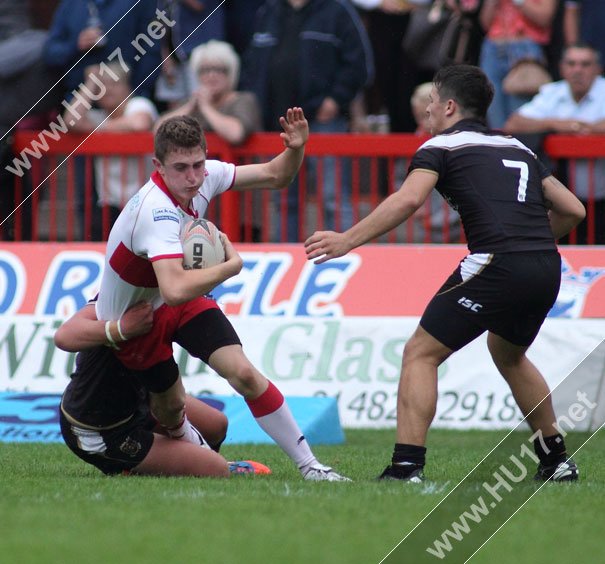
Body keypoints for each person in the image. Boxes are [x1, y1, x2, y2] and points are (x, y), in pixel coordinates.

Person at [305, 64, 585, 482]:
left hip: (497, 262)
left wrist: (347, 240)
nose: (428, 112)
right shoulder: (517, 147)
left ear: (450, 106)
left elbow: (407, 201)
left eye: (432, 103)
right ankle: (556, 460)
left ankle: (406, 466)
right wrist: (532, 242)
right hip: (546, 266)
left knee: (421, 353)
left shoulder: (441, 147)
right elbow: (574, 210)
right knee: (508, 353)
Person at [94, 109, 350, 482]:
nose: (194, 177)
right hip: (136, 322)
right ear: (158, 166)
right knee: (169, 407)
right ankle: (191, 448)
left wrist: (297, 147)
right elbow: (175, 287)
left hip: (173, 301)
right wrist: (230, 268)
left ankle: (312, 467)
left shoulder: (204, 176)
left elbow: (276, 175)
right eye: (181, 168)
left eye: (198, 164)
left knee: (244, 373)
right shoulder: (156, 211)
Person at [55, 300, 270, 477]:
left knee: (216, 425)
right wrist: (120, 329)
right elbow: (64, 336)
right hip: (98, 429)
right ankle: (132, 467)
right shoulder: (117, 300)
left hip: (140, 403)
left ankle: (188, 462)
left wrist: (231, 265)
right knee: (217, 469)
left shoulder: (169, 295)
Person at [240, 0, 374, 241]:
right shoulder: (268, 11)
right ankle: (286, 259)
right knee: (283, 199)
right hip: (278, 124)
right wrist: (256, 103)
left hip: (323, 123)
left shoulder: (338, 10)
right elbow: (251, 63)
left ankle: (344, 257)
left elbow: (359, 63)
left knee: (332, 197)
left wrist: (335, 100)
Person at [504, 43, 605, 244]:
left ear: (597, 68)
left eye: (585, 64)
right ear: (562, 68)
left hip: (601, 198)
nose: (578, 70)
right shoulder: (552, 92)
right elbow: (513, 123)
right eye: (571, 63)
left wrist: (591, 128)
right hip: (563, 203)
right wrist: (556, 124)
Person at [65, 62, 158, 239]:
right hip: (110, 204)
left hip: (145, 201)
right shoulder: (98, 116)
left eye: (114, 84)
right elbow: (71, 121)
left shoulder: (138, 104)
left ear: (128, 88)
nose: (108, 90)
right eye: (102, 86)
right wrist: (89, 84)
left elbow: (139, 123)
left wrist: (97, 129)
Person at [155, 40, 261, 146]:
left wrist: (206, 107)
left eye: (219, 70)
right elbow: (158, 131)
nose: (211, 75)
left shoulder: (243, 100)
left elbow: (236, 134)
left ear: (231, 73)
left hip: (241, 162)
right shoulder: (193, 102)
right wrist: (190, 106)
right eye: (205, 70)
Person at [479, 0, 557, 129]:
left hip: (524, 47)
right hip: (493, 47)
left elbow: (544, 18)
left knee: (520, 113)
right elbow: (485, 24)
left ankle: (518, 148)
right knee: (493, 108)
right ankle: (498, 147)